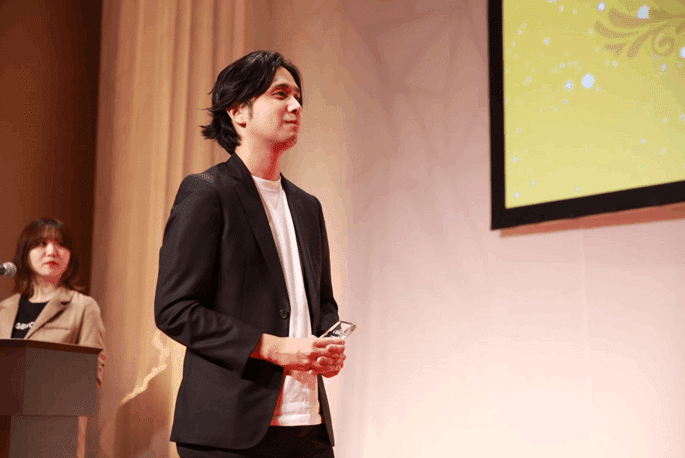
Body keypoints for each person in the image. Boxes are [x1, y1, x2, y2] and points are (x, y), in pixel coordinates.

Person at [154, 50, 346, 458]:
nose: (295, 106)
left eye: (298, 98)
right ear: (238, 111)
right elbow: (174, 309)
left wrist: (328, 344)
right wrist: (272, 347)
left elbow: (321, 301)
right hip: (228, 431)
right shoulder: (206, 192)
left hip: (308, 427)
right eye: (280, 94)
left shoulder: (308, 206)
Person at [0, 217, 106, 458]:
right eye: (41, 243)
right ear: (25, 253)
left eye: (60, 244)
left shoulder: (83, 307)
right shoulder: (3, 309)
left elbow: (93, 371)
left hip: (54, 434)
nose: (52, 251)